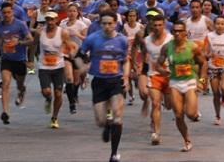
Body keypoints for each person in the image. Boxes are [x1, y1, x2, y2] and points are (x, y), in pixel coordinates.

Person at [79, 11, 129, 162]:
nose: (107, 26)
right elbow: (79, 55)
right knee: (100, 121)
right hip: (99, 82)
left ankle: (114, 154)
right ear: (100, 24)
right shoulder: (92, 39)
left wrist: (126, 77)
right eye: (104, 24)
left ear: (115, 24)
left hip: (116, 82)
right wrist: (83, 70)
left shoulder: (122, 40)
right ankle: (107, 125)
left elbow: (126, 60)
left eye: (110, 23)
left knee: (118, 117)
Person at [156, 20, 207, 152]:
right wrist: (162, 71)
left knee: (190, 114)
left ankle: (193, 109)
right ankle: (187, 140)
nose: (178, 33)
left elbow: (204, 64)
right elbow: (158, 64)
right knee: (178, 115)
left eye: (180, 31)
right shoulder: (167, 47)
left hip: (190, 82)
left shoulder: (193, 47)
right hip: (175, 83)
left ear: (185, 33)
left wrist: (201, 80)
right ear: (172, 33)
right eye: (175, 31)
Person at [0, 2, 33, 125]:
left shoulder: (20, 25)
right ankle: (5, 112)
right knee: (5, 83)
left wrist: (19, 43)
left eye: (9, 12)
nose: (6, 15)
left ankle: (21, 90)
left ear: (13, 12)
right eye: (4, 13)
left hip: (20, 60)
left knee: (19, 84)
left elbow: (30, 40)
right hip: (7, 59)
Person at [137, 14, 173, 145]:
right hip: (154, 76)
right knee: (156, 103)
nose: (157, 27)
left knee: (169, 106)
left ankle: (166, 103)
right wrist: (139, 65)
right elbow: (142, 54)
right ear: (151, 26)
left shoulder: (171, 39)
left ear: (164, 25)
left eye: (160, 25)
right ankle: (156, 133)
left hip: (169, 76)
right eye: (155, 25)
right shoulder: (146, 40)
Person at [38, 11, 76, 128]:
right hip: (44, 67)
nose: (50, 22)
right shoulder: (40, 32)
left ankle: (54, 117)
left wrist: (71, 54)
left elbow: (70, 46)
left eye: (52, 20)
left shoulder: (63, 32)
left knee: (58, 94)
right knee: (46, 92)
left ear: (56, 20)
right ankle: (48, 99)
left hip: (58, 67)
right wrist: (29, 59)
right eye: (48, 20)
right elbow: (33, 45)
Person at [204, 17, 224, 125]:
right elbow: (205, 52)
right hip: (213, 67)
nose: (220, 26)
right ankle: (218, 116)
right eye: (217, 23)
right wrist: (208, 55)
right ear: (214, 25)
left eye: (222, 24)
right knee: (216, 93)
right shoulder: (209, 36)